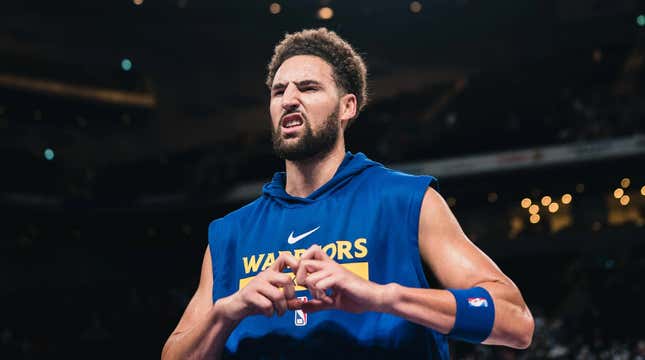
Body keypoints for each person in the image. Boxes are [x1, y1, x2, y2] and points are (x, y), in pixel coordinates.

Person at [161, 28, 534, 360]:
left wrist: (382, 296)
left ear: (347, 107)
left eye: (308, 87)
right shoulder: (230, 234)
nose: (288, 99)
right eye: (278, 91)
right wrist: (226, 312)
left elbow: (514, 321)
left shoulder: (405, 201)